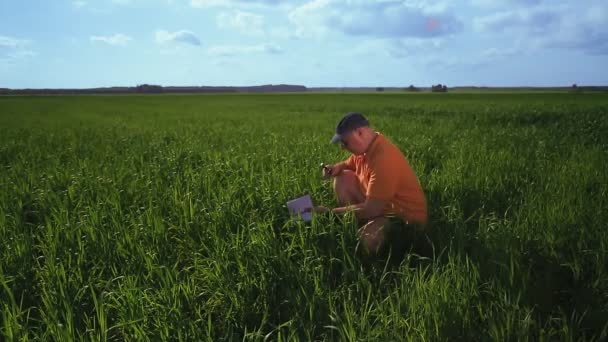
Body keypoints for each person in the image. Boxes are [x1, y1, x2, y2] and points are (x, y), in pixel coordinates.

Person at [312, 112, 428, 257]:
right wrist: (337, 167)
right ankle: (355, 222)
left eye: (345, 142)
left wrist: (329, 213)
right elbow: (349, 163)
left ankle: (376, 268)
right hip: (381, 208)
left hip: (403, 219)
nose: (342, 147)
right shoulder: (365, 150)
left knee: (364, 238)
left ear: (360, 133)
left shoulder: (383, 159)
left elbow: (371, 209)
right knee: (342, 177)